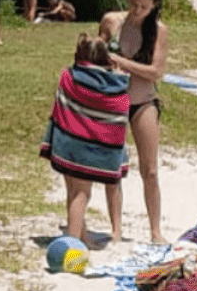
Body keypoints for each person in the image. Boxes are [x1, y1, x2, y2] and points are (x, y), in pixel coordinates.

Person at [40, 34, 130, 242]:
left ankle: (81, 237)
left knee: (73, 193)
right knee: (82, 195)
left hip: (68, 142)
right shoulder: (117, 85)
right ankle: (73, 246)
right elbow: (119, 113)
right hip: (93, 148)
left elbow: (61, 103)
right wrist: (116, 72)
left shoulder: (68, 76)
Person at [107, 0, 171, 243]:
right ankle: (115, 229)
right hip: (113, 99)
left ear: (154, 6)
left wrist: (121, 61)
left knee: (150, 170)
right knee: (112, 167)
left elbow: (156, 71)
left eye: (143, 7)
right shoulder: (112, 21)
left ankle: (155, 231)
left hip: (143, 100)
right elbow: (95, 53)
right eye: (133, 4)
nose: (136, 10)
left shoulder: (158, 30)